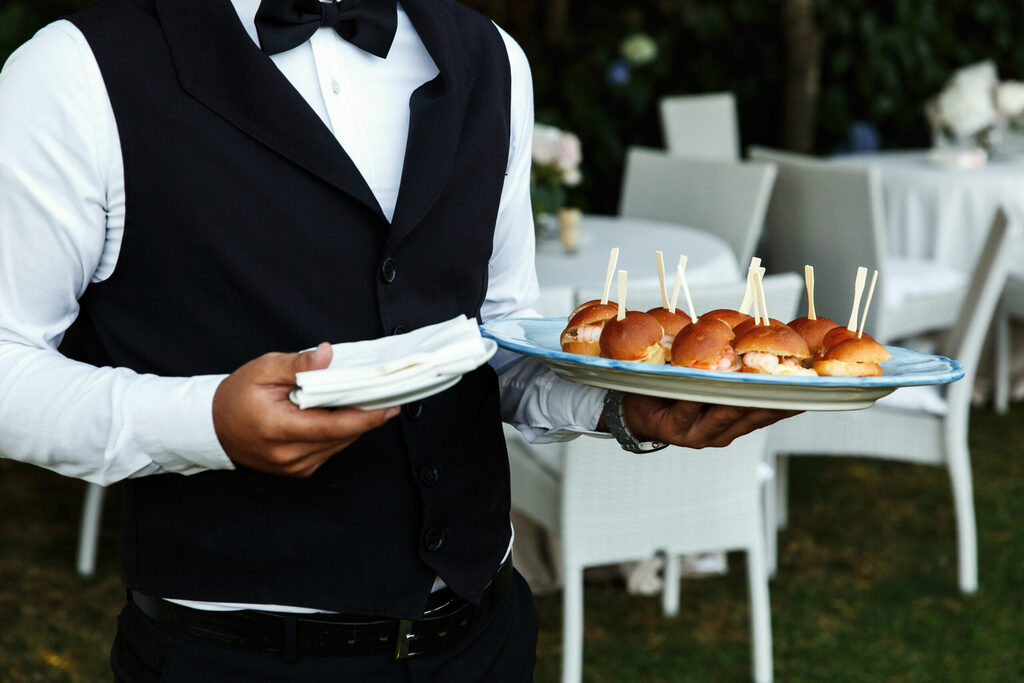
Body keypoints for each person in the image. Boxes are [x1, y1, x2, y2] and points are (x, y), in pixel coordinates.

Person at [0, 0, 794, 679]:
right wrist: (206, 422)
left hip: (484, 640)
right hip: (231, 655)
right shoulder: (74, 72)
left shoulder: (493, 60)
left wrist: (619, 406)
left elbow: (495, 339)